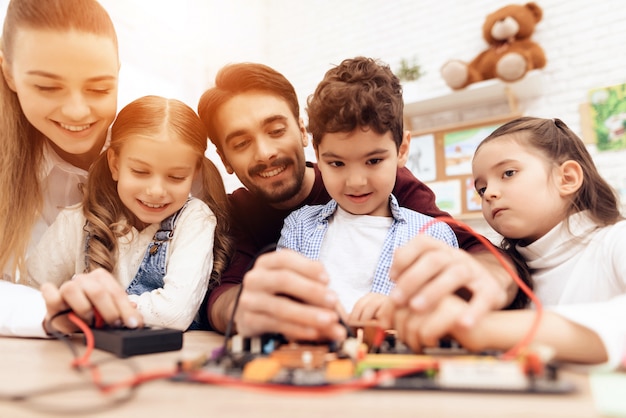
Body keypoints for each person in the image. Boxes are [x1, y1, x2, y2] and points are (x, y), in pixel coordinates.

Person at [197, 57, 520, 341]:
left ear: (302, 131)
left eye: (276, 130)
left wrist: (487, 278)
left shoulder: (393, 185)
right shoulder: (237, 212)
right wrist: (242, 309)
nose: (265, 152)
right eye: (240, 143)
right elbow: (223, 293)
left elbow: (475, 250)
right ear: (224, 160)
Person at [387, 116, 626, 369]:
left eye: (508, 173)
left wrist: (483, 328)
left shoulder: (615, 239)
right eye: (481, 188)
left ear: (566, 178)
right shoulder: (506, 274)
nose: (489, 193)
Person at [25, 95, 232, 331]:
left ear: (194, 174)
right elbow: (30, 295)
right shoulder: (76, 221)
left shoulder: (195, 219)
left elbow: (174, 314)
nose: (156, 191)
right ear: (115, 165)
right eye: (140, 172)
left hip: (164, 362)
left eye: (176, 177)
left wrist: (91, 310)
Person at [277, 57, 458, 322]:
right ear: (317, 155)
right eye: (337, 163)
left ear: (402, 150)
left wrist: (403, 311)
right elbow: (282, 305)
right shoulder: (299, 228)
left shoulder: (433, 236)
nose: (356, 182)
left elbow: (449, 315)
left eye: (373, 161)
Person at [0, 0, 141, 336]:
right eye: (47, 87)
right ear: (8, 74)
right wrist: (50, 309)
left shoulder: (160, 160)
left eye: (99, 88)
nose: (77, 111)